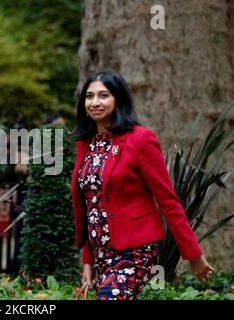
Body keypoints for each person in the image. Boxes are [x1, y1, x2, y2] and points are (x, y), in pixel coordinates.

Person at [71, 70, 214, 300]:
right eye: (89, 96)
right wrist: (87, 260)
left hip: (135, 250)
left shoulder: (140, 139)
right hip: (101, 254)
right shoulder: (85, 144)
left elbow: (168, 200)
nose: (95, 102)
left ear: (119, 100)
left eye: (103, 95)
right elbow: (91, 206)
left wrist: (193, 255)